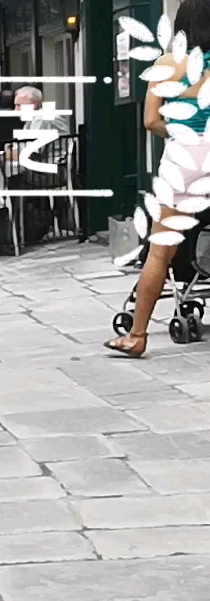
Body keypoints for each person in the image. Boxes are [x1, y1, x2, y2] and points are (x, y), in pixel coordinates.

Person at [108, 0, 210, 357]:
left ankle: (137, 336)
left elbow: (151, 121)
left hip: (182, 164)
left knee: (159, 253)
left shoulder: (166, 65)